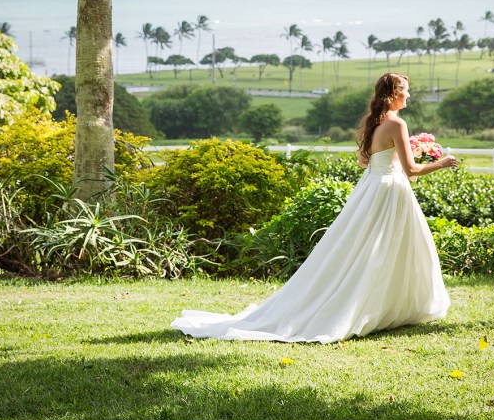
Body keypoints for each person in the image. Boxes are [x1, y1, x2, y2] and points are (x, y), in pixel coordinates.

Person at [171, 72, 458, 343]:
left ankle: (382, 304)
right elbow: (411, 170)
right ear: (394, 94)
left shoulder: (375, 121)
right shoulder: (397, 124)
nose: (409, 96)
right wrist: (441, 162)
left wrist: (405, 152)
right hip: (390, 191)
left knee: (368, 248)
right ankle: (382, 305)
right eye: (406, 91)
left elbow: (365, 161)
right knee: (388, 249)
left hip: (372, 188)